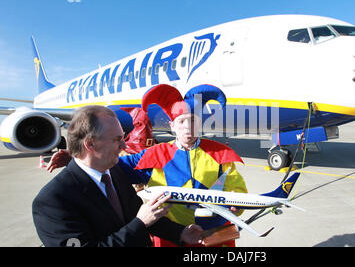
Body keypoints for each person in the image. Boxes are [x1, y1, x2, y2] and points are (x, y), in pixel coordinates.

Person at [47, 84, 248, 247]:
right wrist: (75, 156)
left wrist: (237, 206)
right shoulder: (154, 154)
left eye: (193, 121)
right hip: (171, 235)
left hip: (216, 235)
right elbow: (108, 165)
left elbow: (237, 188)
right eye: (182, 122)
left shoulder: (221, 153)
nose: (188, 128)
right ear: (172, 126)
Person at [32, 105, 203, 247]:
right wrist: (139, 223)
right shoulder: (52, 201)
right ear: (91, 144)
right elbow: (140, 220)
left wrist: (181, 232)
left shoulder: (114, 172)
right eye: (117, 139)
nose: (124, 145)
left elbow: (139, 214)